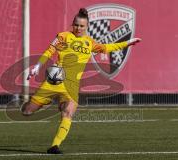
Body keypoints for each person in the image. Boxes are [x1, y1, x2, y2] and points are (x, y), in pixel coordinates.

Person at [22, 8, 141, 154]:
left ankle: (55, 146)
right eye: (76, 25)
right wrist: (37, 66)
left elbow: (107, 47)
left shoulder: (89, 43)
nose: (78, 28)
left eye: (82, 26)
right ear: (73, 24)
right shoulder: (63, 36)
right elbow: (49, 51)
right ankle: (43, 102)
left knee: (67, 113)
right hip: (54, 82)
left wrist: (127, 42)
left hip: (72, 86)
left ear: (87, 27)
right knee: (27, 111)